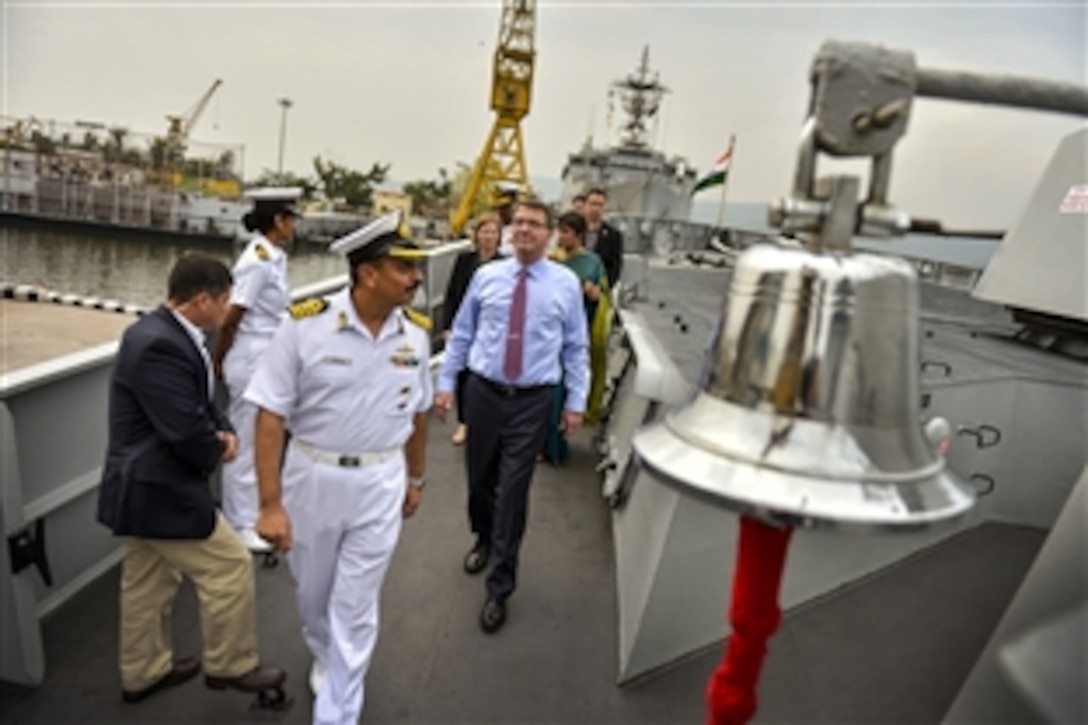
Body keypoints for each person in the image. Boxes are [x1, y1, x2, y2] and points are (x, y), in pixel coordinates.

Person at [248, 210, 432, 725]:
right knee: (314, 596)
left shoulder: (416, 334)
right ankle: (326, 659)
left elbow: (418, 415)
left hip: (380, 481)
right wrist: (269, 504)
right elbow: (269, 414)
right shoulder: (304, 325)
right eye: (403, 267)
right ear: (367, 273)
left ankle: (337, 712)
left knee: (355, 606)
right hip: (312, 478)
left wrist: (415, 479)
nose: (416, 278)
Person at [96, 253, 286, 705]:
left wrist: (221, 426)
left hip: (141, 488)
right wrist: (219, 446)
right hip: (158, 488)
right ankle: (231, 665)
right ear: (202, 300)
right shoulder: (158, 344)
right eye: (224, 302)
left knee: (147, 583)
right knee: (230, 566)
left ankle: (142, 671)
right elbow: (182, 426)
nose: (227, 312)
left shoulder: (171, 334)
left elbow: (199, 399)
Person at [435, 199, 589, 634]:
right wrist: (446, 383)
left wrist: (575, 401)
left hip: (533, 399)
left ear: (549, 234)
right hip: (483, 393)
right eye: (518, 222)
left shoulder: (565, 284)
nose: (523, 230)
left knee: (514, 489)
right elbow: (462, 333)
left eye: (534, 224)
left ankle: (500, 585)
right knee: (480, 479)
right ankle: (483, 537)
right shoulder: (486, 277)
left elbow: (575, 347)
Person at [213, 187, 301, 554]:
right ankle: (239, 523)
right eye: (291, 218)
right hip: (249, 359)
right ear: (278, 221)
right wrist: (219, 360)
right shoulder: (256, 261)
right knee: (246, 445)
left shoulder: (273, 257)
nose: (295, 225)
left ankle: (256, 513)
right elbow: (232, 317)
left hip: (266, 359)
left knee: (265, 436)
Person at [542, 211, 612, 464]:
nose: (562, 237)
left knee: (560, 390)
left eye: (567, 232)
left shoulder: (592, 262)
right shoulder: (551, 260)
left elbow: (604, 297)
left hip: (573, 331)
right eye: (560, 231)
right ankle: (541, 444)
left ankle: (555, 445)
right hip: (548, 330)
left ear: (579, 235)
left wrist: (594, 294)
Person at [442, 212, 503, 446]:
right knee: (464, 374)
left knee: (486, 375)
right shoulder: (464, 261)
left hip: (490, 329)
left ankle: (486, 423)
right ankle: (464, 422)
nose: (488, 237)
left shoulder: (504, 264)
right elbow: (452, 294)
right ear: (476, 235)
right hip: (465, 325)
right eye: (484, 232)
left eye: (493, 232)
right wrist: (448, 325)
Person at [582, 187, 625, 288]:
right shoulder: (575, 231)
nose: (596, 209)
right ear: (585, 205)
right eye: (592, 204)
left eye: (600, 205)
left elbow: (615, 268)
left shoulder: (613, 236)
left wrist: (602, 289)